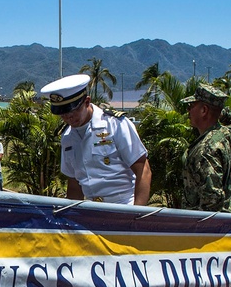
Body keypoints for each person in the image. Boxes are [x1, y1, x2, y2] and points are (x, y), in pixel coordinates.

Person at [43, 74, 151, 205]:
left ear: (87, 102)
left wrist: (136, 216)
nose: (68, 118)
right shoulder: (67, 138)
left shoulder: (115, 125)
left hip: (124, 206)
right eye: (63, 114)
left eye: (73, 111)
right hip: (92, 210)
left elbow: (143, 170)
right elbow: (74, 184)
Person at [179, 83, 231, 212]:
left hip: (209, 227)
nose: (188, 110)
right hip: (229, 219)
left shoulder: (205, 149)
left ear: (204, 110)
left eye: (191, 106)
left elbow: (212, 199)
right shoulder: (229, 135)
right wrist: (217, 111)